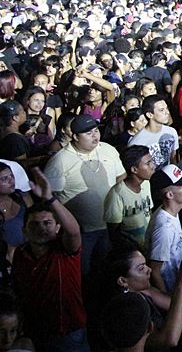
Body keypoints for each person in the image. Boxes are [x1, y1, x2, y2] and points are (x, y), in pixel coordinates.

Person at [12, 167, 89, 351]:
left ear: (57, 227)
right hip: (35, 332)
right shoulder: (20, 254)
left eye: (47, 223)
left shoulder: (64, 250)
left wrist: (50, 198)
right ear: (24, 231)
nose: (41, 228)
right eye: (34, 224)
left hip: (68, 332)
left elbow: (74, 232)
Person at [44, 113, 125, 274]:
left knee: (108, 271)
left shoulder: (108, 149)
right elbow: (50, 198)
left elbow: (121, 177)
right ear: (75, 136)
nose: (95, 136)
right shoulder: (60, 161)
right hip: (82, 231)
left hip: (112, 225)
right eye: (88, 133)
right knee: (83, 272)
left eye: (96, 131)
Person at [105, 245, 182, 349]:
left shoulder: (145, 290)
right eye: (141, 268)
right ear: (123, 281)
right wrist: (180, 286)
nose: (149, 270)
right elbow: (169, 340)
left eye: (145, 264)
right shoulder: (124, 311)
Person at [146, 164, 182, 293]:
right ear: (170, 195)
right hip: (170, 291)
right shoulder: (164, 228)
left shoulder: (172, 212)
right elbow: (154, 270)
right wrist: (168, 300)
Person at [103, 145, 155, 248]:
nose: (153, 166)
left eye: (151, 161)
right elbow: (114, 231)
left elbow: (149, 212)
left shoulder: (146, 184)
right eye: (148, 163)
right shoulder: (117, 194)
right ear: (134, 169)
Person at [128, 94, 179, 170]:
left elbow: (173, 159)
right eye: (161, 110)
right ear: (149, 114)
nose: (167, 112)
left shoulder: (171, 132)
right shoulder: (137, 142)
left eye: (167, 108)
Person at [0, 161, 32, 263]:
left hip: (32, 250)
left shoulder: (21, 196)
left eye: (11, 176)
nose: (11, 181)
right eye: (4, 179)